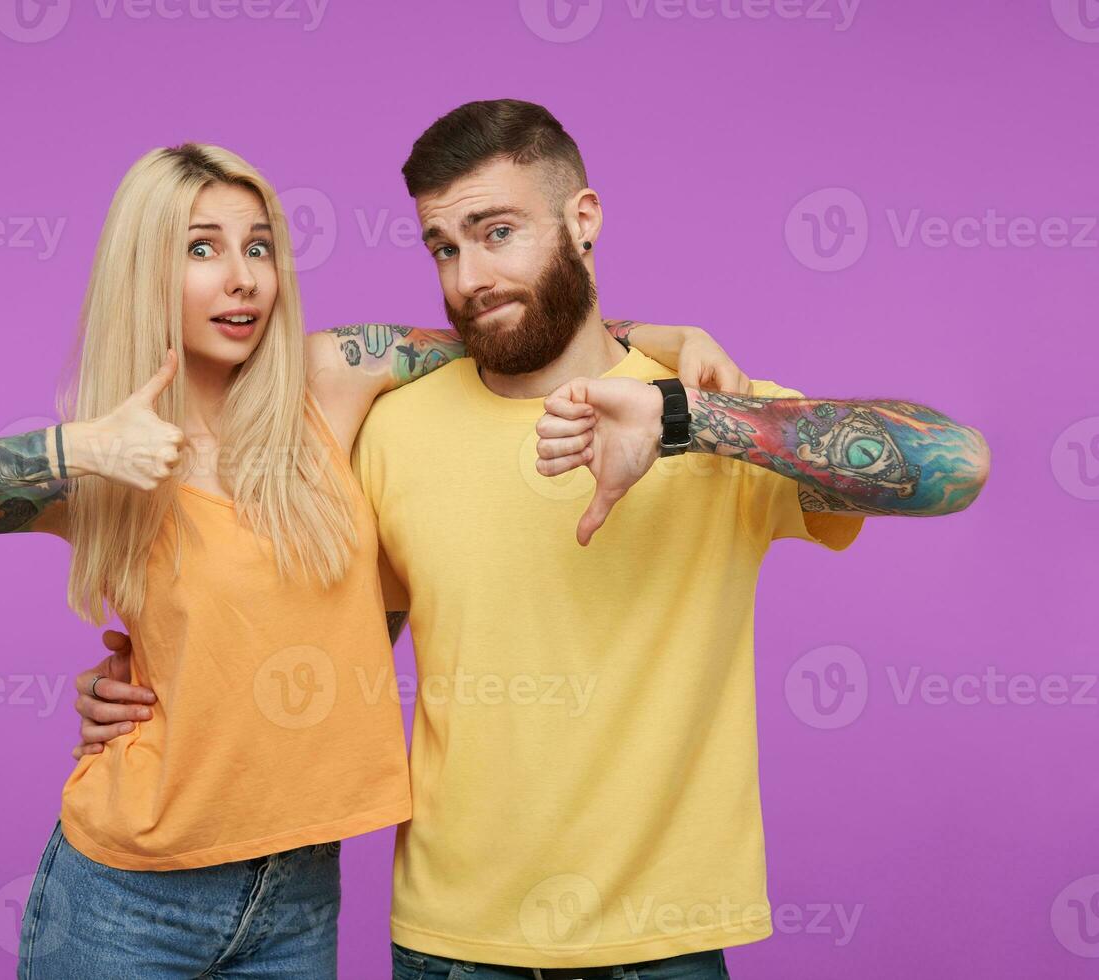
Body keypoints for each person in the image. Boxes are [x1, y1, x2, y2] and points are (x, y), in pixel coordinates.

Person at [74, 101, 991, 980]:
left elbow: (955, 463)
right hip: (450, 945)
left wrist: (683, 418)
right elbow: (324, 643)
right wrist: (164, 693)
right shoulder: (394, 430)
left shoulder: (712, 409)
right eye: (444, 245)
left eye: (497, 231)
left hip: (662, 945)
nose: (469, 276)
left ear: (581, 219)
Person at [0, 141, 745, 979]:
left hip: (300, 900)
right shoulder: (101, 466)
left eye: (258, 248)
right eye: (201, 249)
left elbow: (508, 329)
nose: (242, 280)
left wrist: (660, 341)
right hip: (129, 898)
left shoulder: (333, 378)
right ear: (143, 270)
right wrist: (74, 451)